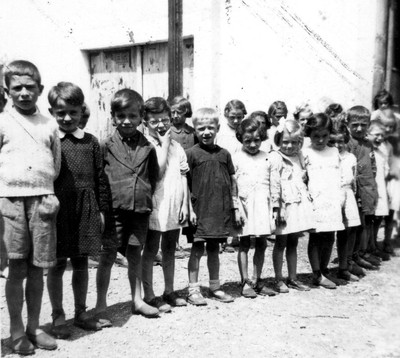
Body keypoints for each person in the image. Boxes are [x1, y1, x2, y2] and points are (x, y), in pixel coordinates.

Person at [0, 60, 61, 354]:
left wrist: (46, 192)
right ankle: (15, 331)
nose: (24, 93)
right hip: (10, 202)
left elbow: (56, 163)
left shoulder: (49, 124)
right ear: (7, 90)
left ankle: (34, 327)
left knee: (39, 268)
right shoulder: (2, 122)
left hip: (43, 201)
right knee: (16, 267)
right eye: (17, 88)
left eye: (30, 87)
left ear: (40, 89)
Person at [46, 82, 109, 339]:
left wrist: (102, 210)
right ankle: (58, 316)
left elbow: (100, 178)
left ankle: (81, 313)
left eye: (73, 112)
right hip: (59, 210)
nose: (67, 118)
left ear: (81, 111)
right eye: (61, 113)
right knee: (57, 263)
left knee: (81, 262)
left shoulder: (91, 142)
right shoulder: (50, 140)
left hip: (86, 208)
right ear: (52, 112)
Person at [95, 89, 160, 321]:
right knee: (108, 255)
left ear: (141, 117)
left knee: (135, 253)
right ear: (113, 117)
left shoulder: (148, 147)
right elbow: (100, 179)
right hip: (114, 211)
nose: (127, 121)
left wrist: (143, 197)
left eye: (133, 116)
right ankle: (100, 305)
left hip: (139, 210)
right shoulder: (105, 145)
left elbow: (153, 177)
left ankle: (137, 300)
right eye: (121, 116)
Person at [185, 108, 240, 305]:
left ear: (217, 128)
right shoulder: (190, 154)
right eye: (201, 128)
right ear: (195, 130)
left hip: (219, 210)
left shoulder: (224, 154)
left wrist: (234, 207)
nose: (206, 132)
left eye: (210, 128)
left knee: (215, 249)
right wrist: (189, 209)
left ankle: (215, 286)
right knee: (197, 249)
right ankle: (193, 290)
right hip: (199, 210)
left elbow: (232, 181)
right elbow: (185, 185)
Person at [141, 97, 189, 312]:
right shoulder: (145, 146)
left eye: (165, 120)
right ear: (145, 122)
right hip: (154, 204)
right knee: (151, 249)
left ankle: (169, 290)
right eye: (154, 121)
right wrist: (164, 143)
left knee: (170, 247)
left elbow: (184, 176)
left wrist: (186, 205)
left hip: (173, 203)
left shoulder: (177, 147)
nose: (161, 125)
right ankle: (149, 294)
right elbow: (157, 174)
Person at [269, 120, 314, 293]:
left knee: (293, 242)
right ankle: (279, 278)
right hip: (284, 205)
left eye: (294, 142)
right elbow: (274, 185)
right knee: (281, 242)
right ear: (278, 140)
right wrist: (277, 207)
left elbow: (304, 177)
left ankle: (293, 277)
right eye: (285, 142)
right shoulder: (276, 157)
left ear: (300, 142)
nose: (289, 146)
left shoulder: (300, 156)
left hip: (298, 203)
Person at [233, 118, 275, 298]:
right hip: (244, 205)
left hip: (262, 205)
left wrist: (274, 208)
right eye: (247, 141)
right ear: (240, 139)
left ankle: (258, 280)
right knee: (244, 243)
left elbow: (273, 184)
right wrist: (236, 208)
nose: (252, 144)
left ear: (262, 138)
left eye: (256, 140)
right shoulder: (235, 157)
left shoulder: (267, 156)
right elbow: (232, 187)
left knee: (261, 243)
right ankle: (245, 281)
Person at [303, 113, 344, 289]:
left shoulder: (334, 152)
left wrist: (341, 198)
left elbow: (339, 176)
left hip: (332, 199)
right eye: (316, 136)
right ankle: (316, 273)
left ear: (330, 134)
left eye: (324, 136)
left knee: (330, 236)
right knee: (316, 237)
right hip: (316, 200)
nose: (320, 140)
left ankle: (325, 269)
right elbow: (303, 178)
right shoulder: (305, 152)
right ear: (309, 135)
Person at [347, 106, 380, 270]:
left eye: (363, 124)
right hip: (353, 191)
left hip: (366, 189)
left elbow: (372, 167)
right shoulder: (348, 144)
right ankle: (348, 259)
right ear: (348, 124)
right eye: (355, 125)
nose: (359, 128)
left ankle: (358, 254)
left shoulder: (368, 144)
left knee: (364, 224)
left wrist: (372, 188)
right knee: (352, 227)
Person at [329, 120, 362, 281]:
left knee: (348, 231)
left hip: (347, 194)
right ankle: (323, 269)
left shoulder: (350, 158)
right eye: (332, 141)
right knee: (328, 233)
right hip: (331, 194)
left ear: (346, 140)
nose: (336, 145)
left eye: (340, 141)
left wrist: (355, 196)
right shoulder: (327, 156)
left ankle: (344, 265)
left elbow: (353, 179)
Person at [216, 99, 247, 252]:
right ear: (226, 114)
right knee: (223, 204)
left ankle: (237, 236)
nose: (235, 120)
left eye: (239, 117)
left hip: (240, 171)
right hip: (223, 171)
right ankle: (221, 240)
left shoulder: (243, 131)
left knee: (238, 202)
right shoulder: (220, 131)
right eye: (232, 116)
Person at [169, 95, 197, 258]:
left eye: (179, 112)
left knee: (190, 203)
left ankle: (194, 239)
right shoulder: (167, 131)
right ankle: (173, 244)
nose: (175, 116)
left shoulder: (192, 132)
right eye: (172, 112)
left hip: (189, 173)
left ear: (186, 113)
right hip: (174, 173)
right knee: (175, 205)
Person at [366, 120, 391, 260]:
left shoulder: (382, 151)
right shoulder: (366, 151)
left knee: (378, 218)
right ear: (367, 134)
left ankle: (374, 244)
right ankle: (367, 247)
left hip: (380, 189)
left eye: (382, 135)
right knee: (369, 219)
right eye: (376, 135)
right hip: (370, 190)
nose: (380, 138)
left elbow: (385, 172)